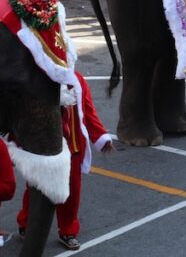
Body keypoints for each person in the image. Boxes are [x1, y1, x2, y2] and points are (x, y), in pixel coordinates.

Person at [16, 73, 113, 251]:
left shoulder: (77, 80)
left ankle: (68, 231)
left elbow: (88, 111)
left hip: (73, 148)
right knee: (36, 189)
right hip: (44, 149)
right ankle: (26, 222)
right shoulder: (38, 80)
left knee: (72, 192)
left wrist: (101, 137)